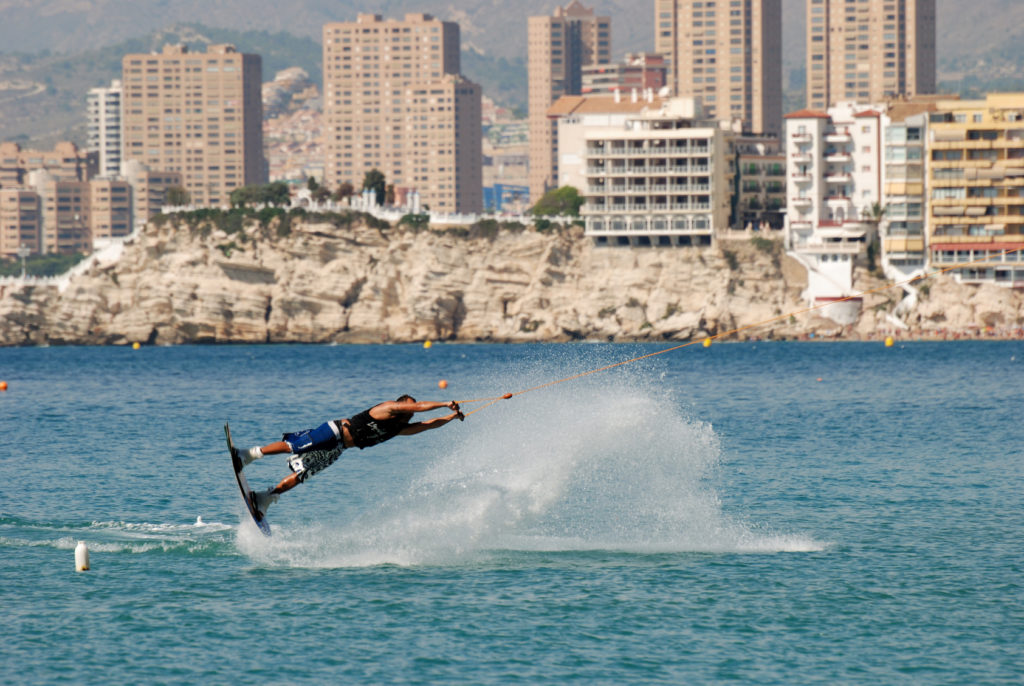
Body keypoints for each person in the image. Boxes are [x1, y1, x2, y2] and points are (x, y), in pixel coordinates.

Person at [235, 395, 463, 518]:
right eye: (409, 408)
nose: (411, 413)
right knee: (295, 447)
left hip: (340, 447)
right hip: (335, 431)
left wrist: (451, 417)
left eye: (412, 411)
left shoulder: (399, 428)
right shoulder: (386, 409)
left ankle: (265, 498)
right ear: (400, 405)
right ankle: (249, 455)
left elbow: (428, 425)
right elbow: (422, 408)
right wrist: (444, 403)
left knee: (304, 473)